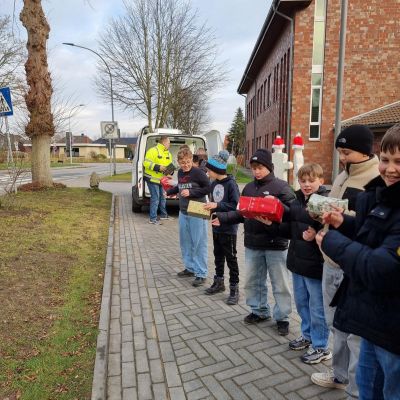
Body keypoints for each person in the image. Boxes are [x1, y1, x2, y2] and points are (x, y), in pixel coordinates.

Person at [315, 123, 400, 399]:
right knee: (367, 389)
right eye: (386, 159)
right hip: (375, 322)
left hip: (393, 331)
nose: (390, 169)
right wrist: (344, 223)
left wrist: (332, 242)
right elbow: (373, 234)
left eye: (399, 162)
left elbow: (381, 267)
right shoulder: (385, 195)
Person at [214, 149, 295, 335]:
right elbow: (241, 212)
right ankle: (259, 311)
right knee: (253, 281)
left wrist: (277, 204)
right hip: (253, 243)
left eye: (260, 168)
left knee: (280, 284)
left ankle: (282, 317)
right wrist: (222, 217)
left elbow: (293, 213)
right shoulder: (249, 188)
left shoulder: (282, 187)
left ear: (269, 167)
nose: (256, 171)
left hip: (276, 244)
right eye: (254, 168)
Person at [257, 163, 331, 363]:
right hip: (297, 263)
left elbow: (334, 231)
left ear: (321, 181)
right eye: (302, 180)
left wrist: (317, 233)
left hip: (316, 266)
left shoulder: (326, 202)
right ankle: (307, 336)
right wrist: (271, 225)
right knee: (302, 304)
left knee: (317, 308)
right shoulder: (297, 201)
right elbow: (289, 231)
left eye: (311, 180)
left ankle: (321, 346)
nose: (306, 184)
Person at [166, 148, 211, 287]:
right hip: (184, 211)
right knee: (185, 242)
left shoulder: (199, 173)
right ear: (178, 162)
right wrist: (169, 191)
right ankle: (190, 268)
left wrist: (191, 192)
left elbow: (208, 188)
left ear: (192, 160)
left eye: (188, 162)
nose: (185, 165)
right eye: (182, 163)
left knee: (199, 243)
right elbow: (180, 186)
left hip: (198, 209)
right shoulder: (180, 172)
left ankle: (201, 273)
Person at [203, 150, 241, 304]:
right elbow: (213, 203)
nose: (207, 172)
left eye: (209, 170)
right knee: (218, 256)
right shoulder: (213, 184)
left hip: (228, 228)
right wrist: (207, 209)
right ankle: (219, 282)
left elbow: (235, 205)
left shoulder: (231, 184)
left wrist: (217, 205)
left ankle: (234, 288)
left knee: (231, 258)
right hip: (216, 226)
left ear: (217, 170)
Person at [143, 136, 173, 225]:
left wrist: (170, 173)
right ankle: (152, 219)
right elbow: (146, 163)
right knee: (155, 199)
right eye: (168, 143)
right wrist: (158, 167)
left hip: (162, 180)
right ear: (164, 142)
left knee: (163, 197)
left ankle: (164, 215)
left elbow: (169, 167)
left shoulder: (168, 154)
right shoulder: (152, 151)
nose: (169, 144)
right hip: (152, 179)